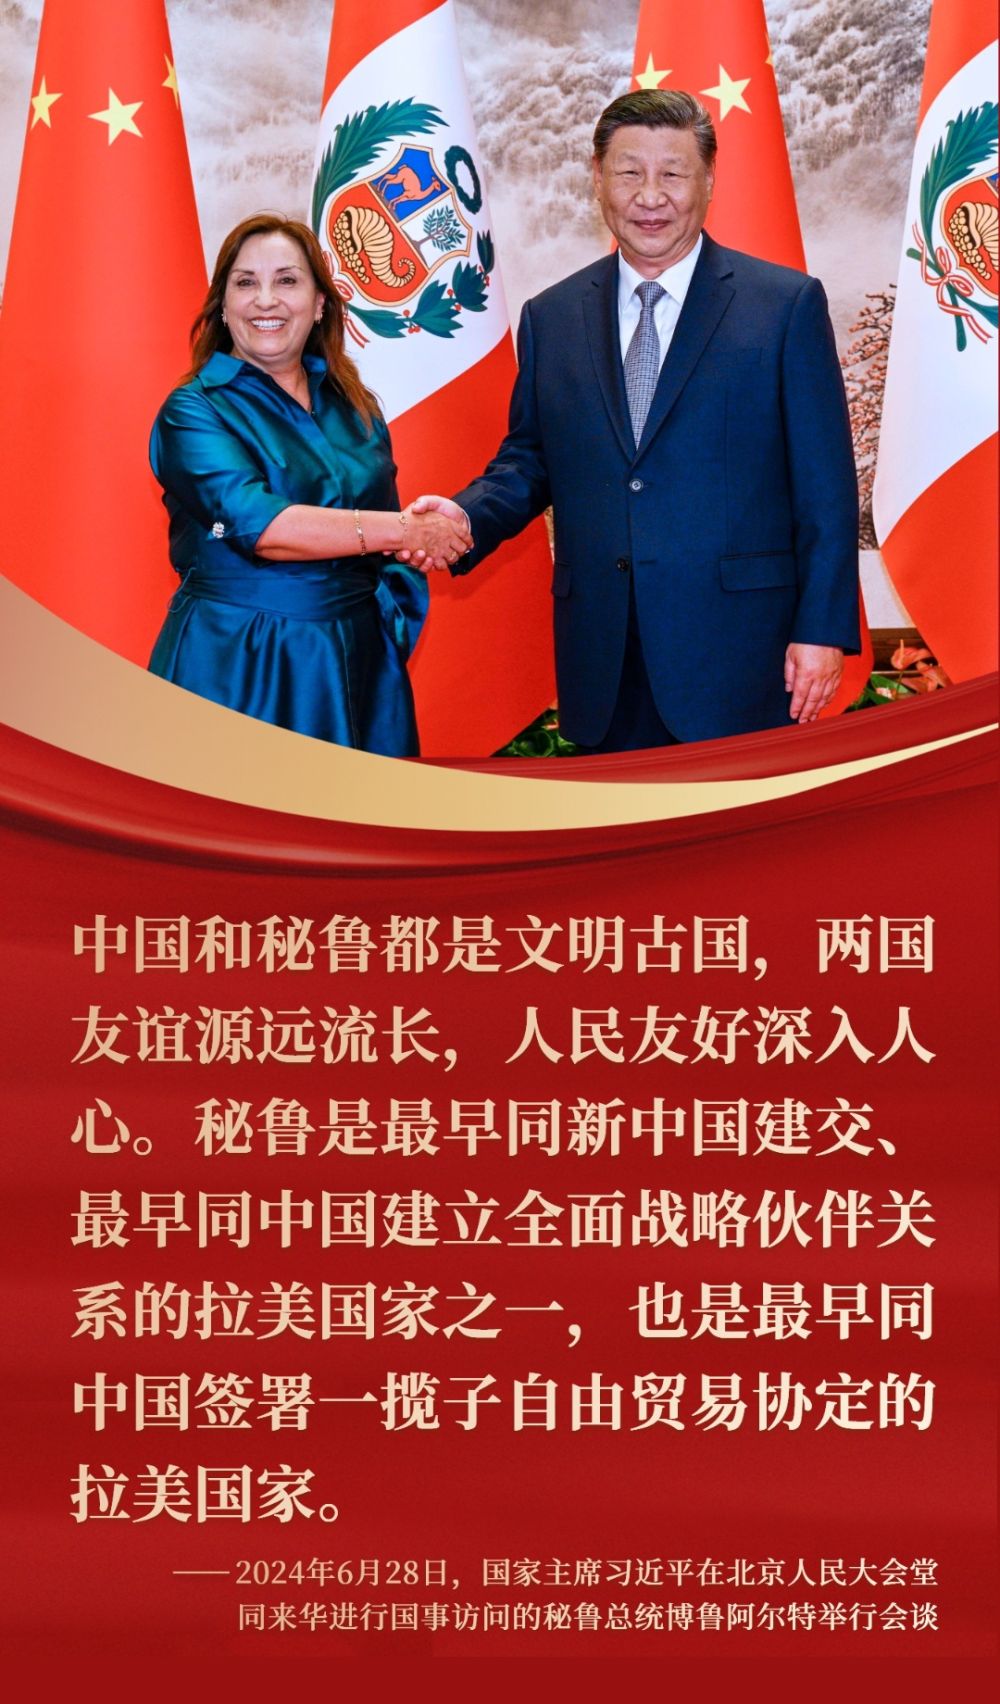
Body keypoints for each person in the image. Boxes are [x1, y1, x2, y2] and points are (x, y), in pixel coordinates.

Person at [406, 90, 861, 753]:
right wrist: (464, 516)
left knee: (737, 825)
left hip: (743, 656)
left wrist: (820, 631)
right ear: (597, 178)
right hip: (605, 658)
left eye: (672, 173)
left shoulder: (783, 306)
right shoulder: (552, 317)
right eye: (629, 173)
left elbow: (825, 487)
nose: (651, 196)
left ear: (708, 180)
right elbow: (531, 458)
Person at [148, 214, 470, 755]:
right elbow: (263, 528)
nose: (266, 300)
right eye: (246, 282)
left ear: (320, 302)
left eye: (287, 280)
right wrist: (410, 530)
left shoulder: (355, 406)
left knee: (364, 810)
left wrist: (412, 558)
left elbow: (385, 536)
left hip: (361, 665)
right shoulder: (193, 411)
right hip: (241, 664)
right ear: (223, 306)